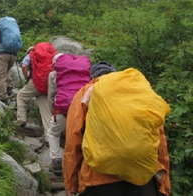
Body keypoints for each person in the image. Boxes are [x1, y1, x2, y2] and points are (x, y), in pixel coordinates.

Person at [63, 62, 171, 196]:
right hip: (143, 180)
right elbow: (159, 139)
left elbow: (73, 142)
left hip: (97, 180)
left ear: (93, 77)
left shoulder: (86, 93)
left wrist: (71, 185)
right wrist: (164, 184)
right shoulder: (136, 93)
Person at [46, 53, 91, 176]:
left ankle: (56, 160)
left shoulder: (53, 75)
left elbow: (51, 95)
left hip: (62, 110)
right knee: (81, 136)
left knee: (53, 133)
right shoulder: (84, 73)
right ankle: (81, 166)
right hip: (81, 111)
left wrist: (53, 111)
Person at [15, 42, 57, 140]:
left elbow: (24, 65)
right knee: (45, 108)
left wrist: (27, 77)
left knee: (21, 96)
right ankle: (49, 136)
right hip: (48, 85)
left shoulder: (31, 55)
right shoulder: (51, 56)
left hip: (36, 82)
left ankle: (21, 119)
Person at [0, 17, 22, 101]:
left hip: (2, 54)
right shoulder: (12, 27)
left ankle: (3, 97)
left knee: (1, 75)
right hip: (13, 54)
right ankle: (10, 89)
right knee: (6, 71)